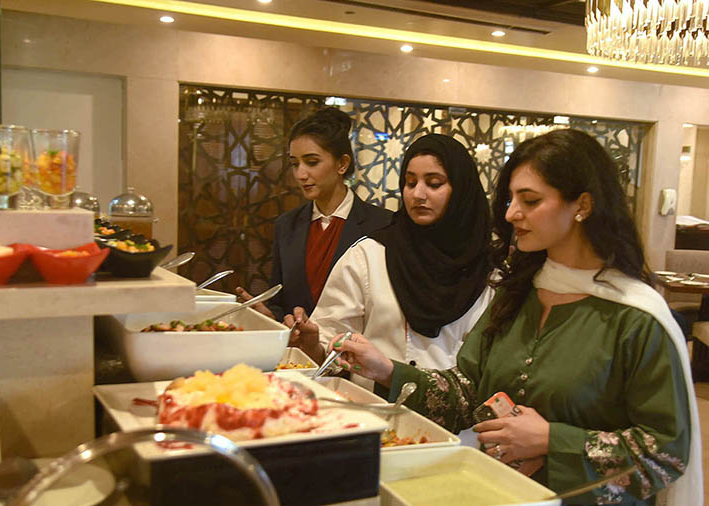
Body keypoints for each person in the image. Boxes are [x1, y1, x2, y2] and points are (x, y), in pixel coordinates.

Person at [332, 129, 701, 505]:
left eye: (530, 200)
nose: (511, 214)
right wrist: (388, 371)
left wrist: (552, 442)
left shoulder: (635, 318)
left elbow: (665, 453)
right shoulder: (518, 293)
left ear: (582, 205)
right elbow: (469, 390)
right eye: (510, 199)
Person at [287, 134, 493, 393]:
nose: (418, 194)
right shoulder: (370, 255)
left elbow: (492, 367)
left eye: (434, 183)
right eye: (409, 183)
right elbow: (331, 345)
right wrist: (312, 345)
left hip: (460, 430)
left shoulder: (489, 271)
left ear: (461, 190)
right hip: (376, 417)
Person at [236, 107, 392, 321]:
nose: (300, 174)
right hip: (297, 352)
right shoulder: (287, 225)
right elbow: (280, 301)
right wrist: (271, 316)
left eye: (311, 162)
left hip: (356, 349)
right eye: (294, 164)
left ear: (342, 164)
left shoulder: (383, 225)